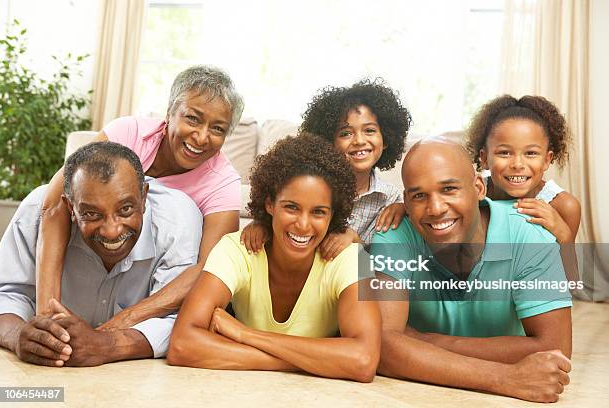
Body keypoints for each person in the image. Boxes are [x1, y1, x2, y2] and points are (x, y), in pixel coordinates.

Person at [36, 65, 244, 329]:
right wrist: (47, 311)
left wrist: (120, 323)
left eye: (217, 129)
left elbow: (209, 268)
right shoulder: (127, 133)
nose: (201, 137)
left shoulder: (223, 183)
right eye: (193, 119)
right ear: (170, 112)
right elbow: (56, 202)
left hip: (156, 290)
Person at [372, 138, 573, 402]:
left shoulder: (529, 232)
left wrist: (420, 341)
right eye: (419, 195)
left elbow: (555, 347)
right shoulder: (390, 235)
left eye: (449, 189)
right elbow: (381, 346)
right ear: (406, 202)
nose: (436, 209)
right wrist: (504, 377)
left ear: (479, 188)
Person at [168, 134, 381, 383]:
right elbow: (182, 345)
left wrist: (245, 334)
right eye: (291, 207)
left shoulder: (356, 258)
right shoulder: (236, 248)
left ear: (333, 214)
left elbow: (364, 361)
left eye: (318, 212)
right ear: (270, 204)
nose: (303, 225)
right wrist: (312, 361)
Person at [0, 142, 202, 366]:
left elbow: (181, 317)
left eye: (125, 209)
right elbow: (6, 293)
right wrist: (17, 335)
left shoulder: (178, 221)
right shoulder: (36, 210)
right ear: (70, 208)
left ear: (144, 198)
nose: (112, 232)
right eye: (92, 214)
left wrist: (108, 344)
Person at [241, 79, 412, 259]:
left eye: (369, 130)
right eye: (346, 133)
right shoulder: (310, 185)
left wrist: (357, 240)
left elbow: (382, 266)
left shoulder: (391, 200)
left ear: (386, 139)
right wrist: (261, 225)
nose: (359, 140)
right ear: (329, 141)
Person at [466, 95, 581, 244]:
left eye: (531, 153)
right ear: (484, 158)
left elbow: (569, 266)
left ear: (547, 160)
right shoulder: (472, 193)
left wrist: (564, 235)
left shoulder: (565, 206)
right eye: (505, 152)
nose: (518, 164)